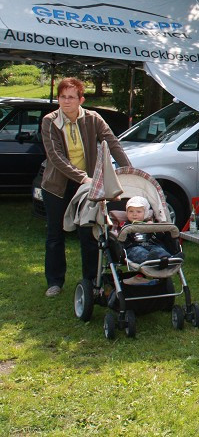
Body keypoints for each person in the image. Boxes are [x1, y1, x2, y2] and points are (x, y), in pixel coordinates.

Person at [41, 77, 131, 297]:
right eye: (62, 97)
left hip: (88, 185)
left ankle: (90, 281)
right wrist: (83, 178)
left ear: (81, 99)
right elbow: (56, 157)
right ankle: (55, 282)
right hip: (57, 186)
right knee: (55, 235)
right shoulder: (49, 121)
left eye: (71, 97)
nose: (66, 101)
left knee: (89, 232)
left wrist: (129, 170)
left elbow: (113, 143)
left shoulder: (93, 118)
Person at [116, 196, 172, 265]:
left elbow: (160, 237)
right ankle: (149, 259)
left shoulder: (148, 223)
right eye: (131, 211)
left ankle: (168, 258)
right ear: (127, 213)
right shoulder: (125, 224)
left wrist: (154, 228)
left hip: (150, 245)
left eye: (138, 212)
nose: (134, 214)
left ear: (145, 213)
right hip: (134, 246)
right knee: (138, 251)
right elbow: (120, 237)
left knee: (158, 249)